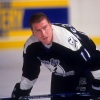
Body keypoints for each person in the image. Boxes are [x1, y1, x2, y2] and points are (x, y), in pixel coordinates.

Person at [11, 12, 100, 100]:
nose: (43, 34)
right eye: (38, 30)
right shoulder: (31, 47)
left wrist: (98, 83)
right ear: (33, 33)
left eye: (45, 27)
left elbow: (94, 60)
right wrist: (22, 90)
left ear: (50, 25)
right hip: (59, 75)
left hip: (82, 72)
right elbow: (30, 73)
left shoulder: (66, 41)